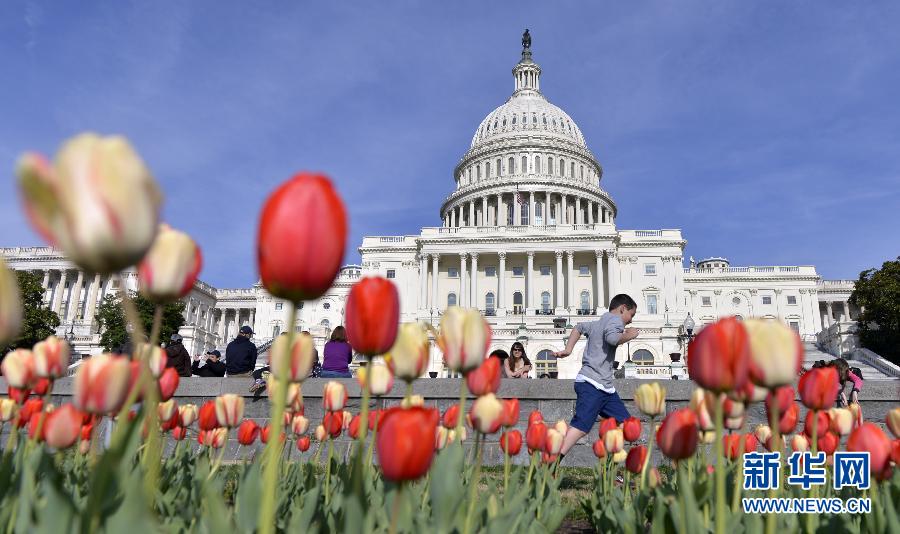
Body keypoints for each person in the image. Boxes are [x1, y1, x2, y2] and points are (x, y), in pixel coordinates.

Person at [552, 293, 640, 459]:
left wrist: (568, 350)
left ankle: (611, 465)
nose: (630, 320)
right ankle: (552, 461)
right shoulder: (616, 321)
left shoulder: (598, 322)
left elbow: (578, 327)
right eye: (631, 315)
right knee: (581, 426)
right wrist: (630, 334)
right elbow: (612, 339)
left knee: (627, 425)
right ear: (623, 309)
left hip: (605, 388)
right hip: (592, 384)